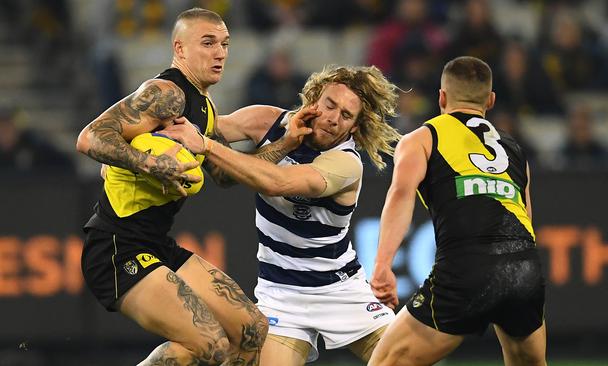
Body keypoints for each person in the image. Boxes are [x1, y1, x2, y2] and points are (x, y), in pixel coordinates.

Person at [75, 8, 313, 365]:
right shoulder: (166, 93)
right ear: (180, 48)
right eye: (207, 43)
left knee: (252, 330)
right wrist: (154, 164)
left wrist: (285, 145)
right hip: (115, 247)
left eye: (224, 44)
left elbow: (225, 174)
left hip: (156, 244)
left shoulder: (206, 107)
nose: (219, 53)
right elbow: (89, 137)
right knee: (212, 345)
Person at [160, 65, 402, 366]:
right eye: (330, 105)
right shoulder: (267, 121)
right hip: (281, 295)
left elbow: (276, 183)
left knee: (406, 358)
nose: (333, 119)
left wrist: (206, 146)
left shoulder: (347, 163)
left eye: (346, 115)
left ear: (354, 127)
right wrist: (139, 145)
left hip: (340, 290)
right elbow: (200, 126)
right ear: (314, 98)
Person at [368, 56, 547, 366]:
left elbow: (400, 195)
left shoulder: (423, 137)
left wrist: (384, 263)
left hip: (467, 268)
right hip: (524, 270)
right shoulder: (515, 150)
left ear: (441, 97)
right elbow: (526, 220)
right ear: (490, 100)